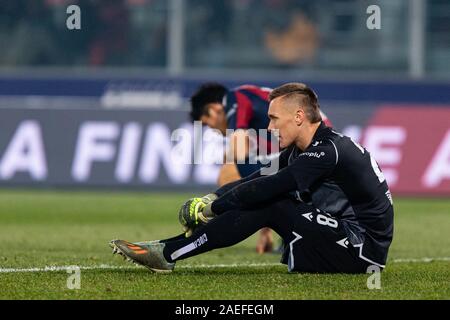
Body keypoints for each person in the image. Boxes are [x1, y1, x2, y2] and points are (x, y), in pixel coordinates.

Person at [110, 82, 394, 273]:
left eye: (273, 119)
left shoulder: (325, 152)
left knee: (272, 201)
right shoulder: (302, 150)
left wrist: (210, 210)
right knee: (268, 196)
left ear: (298, 117)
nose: (268, 127)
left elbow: (269, 187)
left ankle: (167, 254)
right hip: (345, 236)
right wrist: (211, 198)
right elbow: (258, 176)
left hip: (362, 250)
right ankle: (165, 249)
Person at [188, 82, 331, 253]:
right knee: (250, 171)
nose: (214, 131)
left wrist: (222, 201)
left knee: (231, 169)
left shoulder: (234, 98)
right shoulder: (261, 122)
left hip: (312, 150)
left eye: (209, 124)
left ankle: (210, 227)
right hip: (319, 146)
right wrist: (265, 231)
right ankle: (286, 233)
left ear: (213, 109)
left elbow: (239, 151)